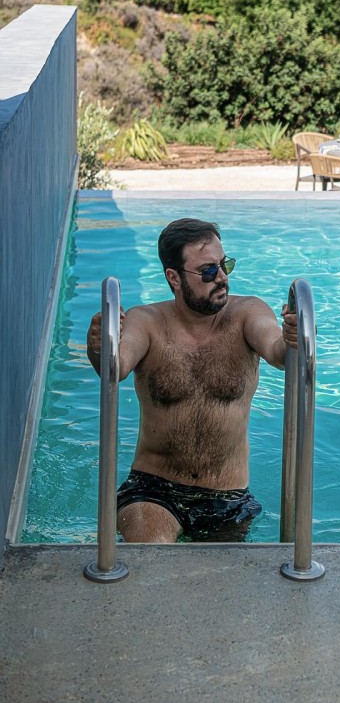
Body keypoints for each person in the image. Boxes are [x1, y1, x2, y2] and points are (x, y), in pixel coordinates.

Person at [86, 217, 297, 543]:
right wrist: (99, 347)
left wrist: (294, 337)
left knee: (222, 574)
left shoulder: (247, 314)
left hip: (227, 495)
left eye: (224, 265)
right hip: (153, 488)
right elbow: (116, 366)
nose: (222, 278)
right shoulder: (147, 322)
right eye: (208, 271)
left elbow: (278, 352)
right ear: (174, 277)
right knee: (150, 556)